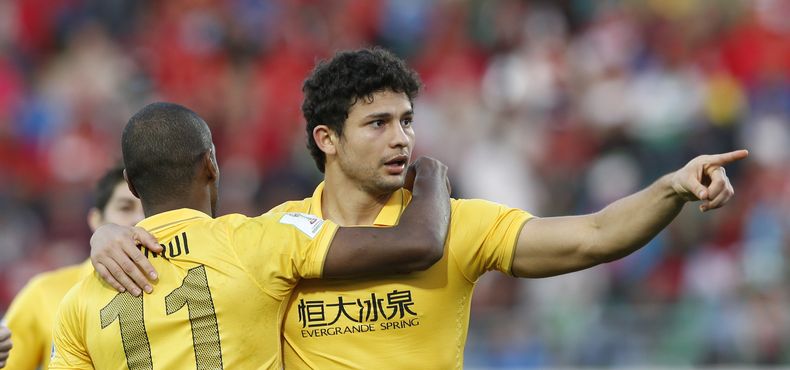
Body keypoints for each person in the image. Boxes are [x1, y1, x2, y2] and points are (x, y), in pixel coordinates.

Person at [94, 48, 747, 369]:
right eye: (377, 123)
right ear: (327, 139)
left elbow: (595, 236)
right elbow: (179, 267)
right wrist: (108, 240)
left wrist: (670, 187)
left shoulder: (456, 223)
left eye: (407, 120)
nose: (402, 138)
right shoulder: (273, 239)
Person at [49, 102, 450, 369]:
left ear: (132, 185)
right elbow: (420, 244)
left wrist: (103, 234)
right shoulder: (257, 241)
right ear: (210, 165)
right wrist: (432, 176)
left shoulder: (79, 300)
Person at [2, 165, 144, 370]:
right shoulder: (44, 292)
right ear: (96, 220)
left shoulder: (179, 281)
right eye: (125, 208)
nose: (139, 219)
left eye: (147, 209)